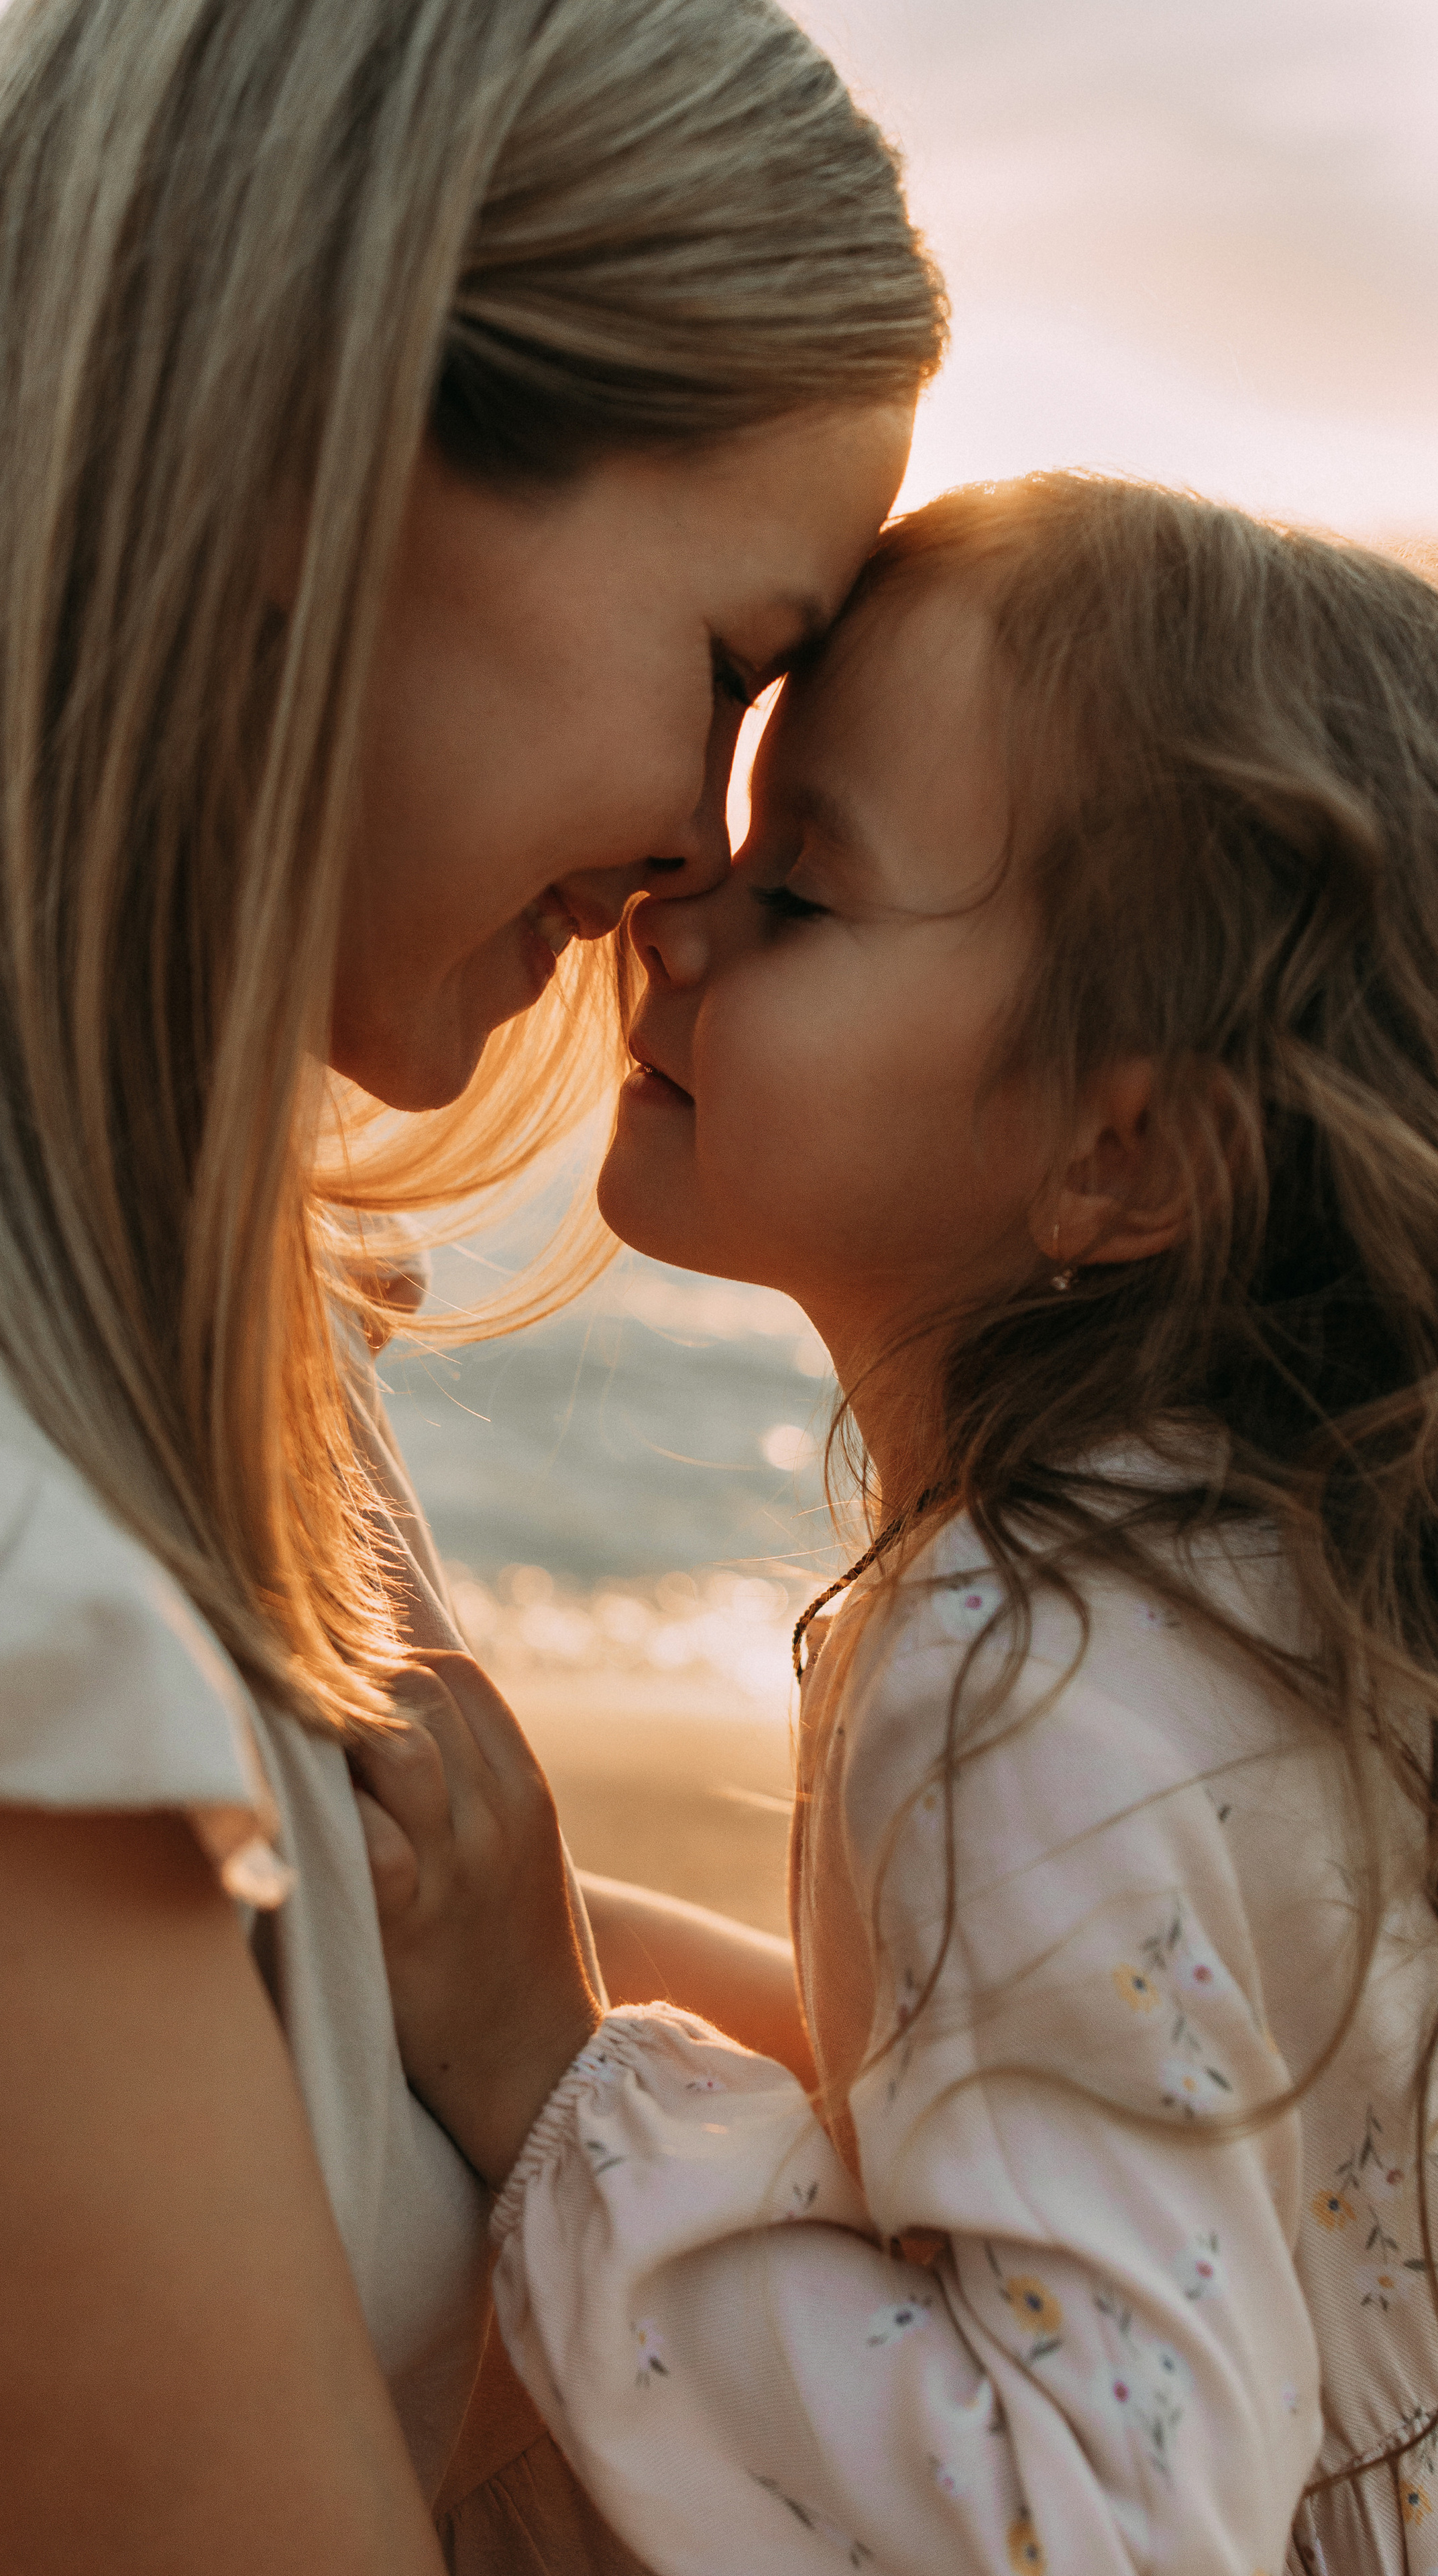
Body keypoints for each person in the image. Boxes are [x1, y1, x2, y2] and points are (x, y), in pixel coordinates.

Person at [0, 0, 945, 2567]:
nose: (696, 867)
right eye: (735, 669)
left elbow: (445, 1979)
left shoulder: (161, 1332)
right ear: (317, 461)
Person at [357, 474, 1438, 2575]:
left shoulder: (1021, 1671)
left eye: (802, 896)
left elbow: (1084, 2522)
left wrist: (548, 2073)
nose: (670, 913)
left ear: (1122, 1157)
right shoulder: (1243, 1577)